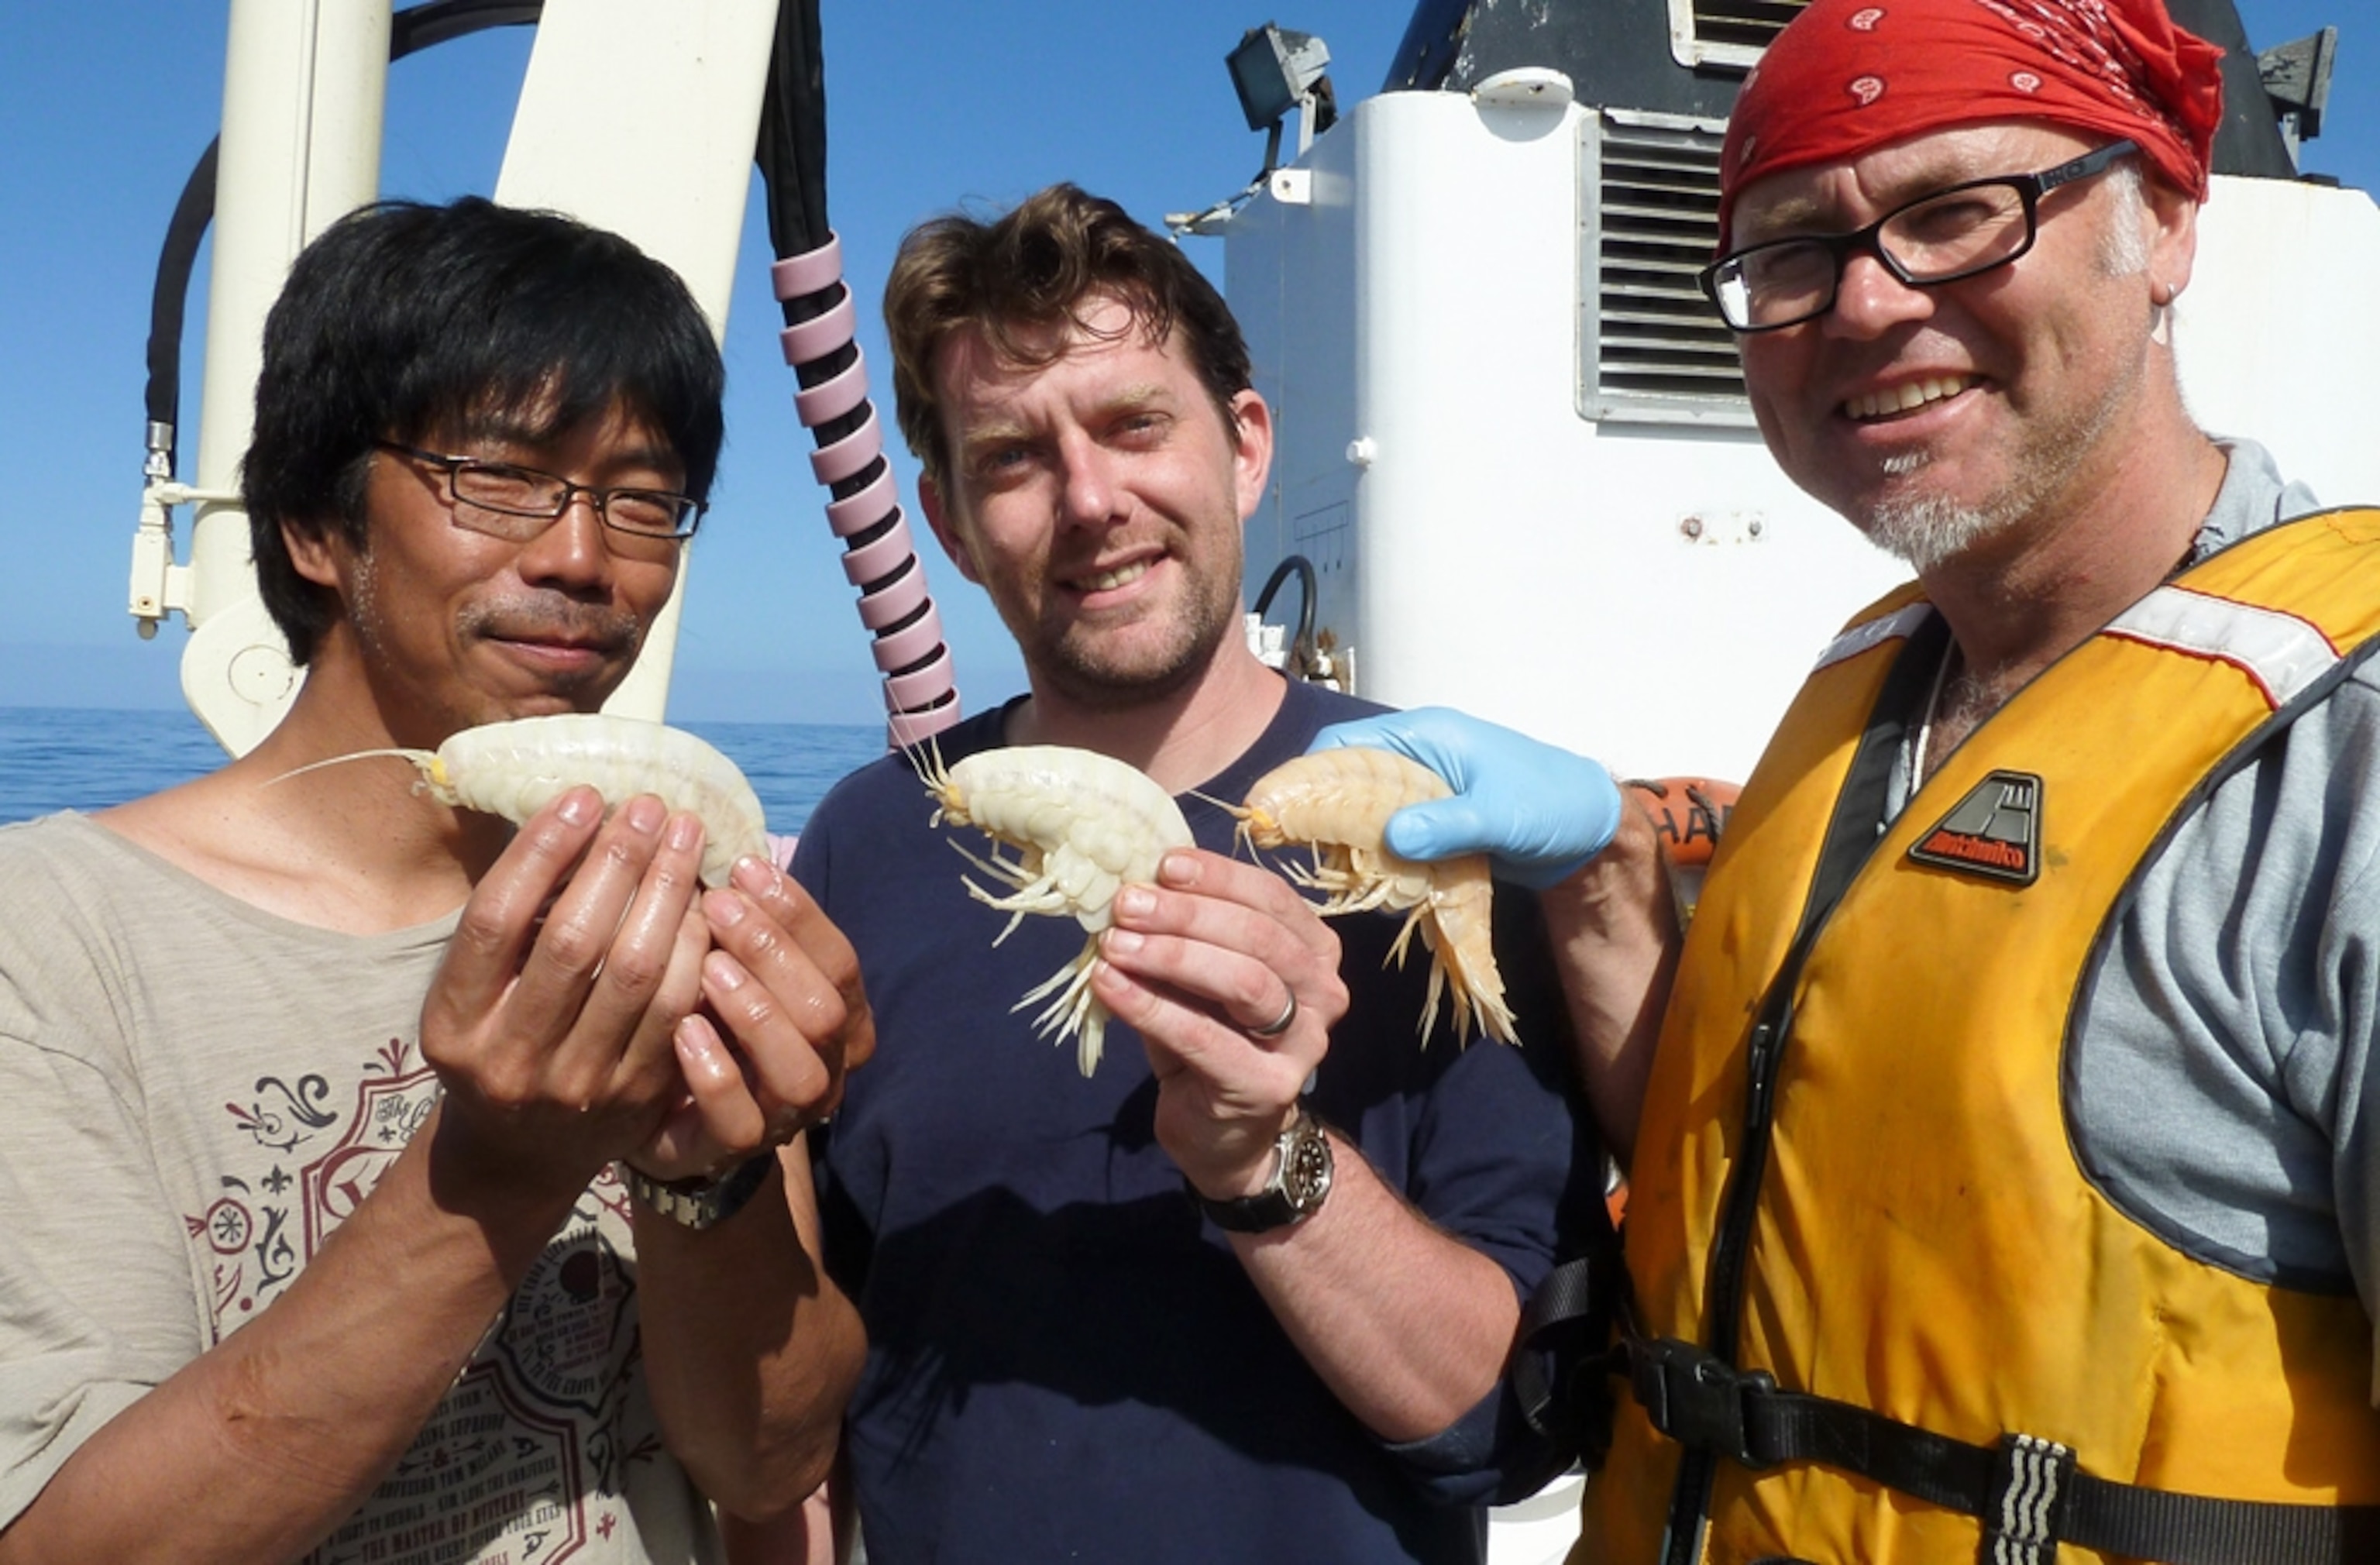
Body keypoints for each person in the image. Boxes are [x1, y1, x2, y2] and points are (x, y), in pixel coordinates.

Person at [1319, 0, 2380, 1559]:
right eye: (1796, 250)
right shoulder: (1878, 670)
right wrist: (1606, 870)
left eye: (1958, 211)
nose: (1870, 304)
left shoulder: (2339, 764)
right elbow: (1753, 1135)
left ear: (2163, 222)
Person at [0, 198, 868, 1565]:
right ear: (312, 523)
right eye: (500, 476)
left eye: (641, 499)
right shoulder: (51, 937)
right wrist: (505, 1170)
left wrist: (711, 1186)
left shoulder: (672, 907)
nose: (584, 557)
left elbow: (769, 1461)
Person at [789, 183, 1604, 1564]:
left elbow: (1497, 1414)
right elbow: (811, 1381)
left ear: (1243, 446)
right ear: (946, 517)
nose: (1092, 500)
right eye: (1012, 457)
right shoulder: (871, 842)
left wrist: (1259, 1159)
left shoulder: (1426, 833)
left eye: (1133, 425)